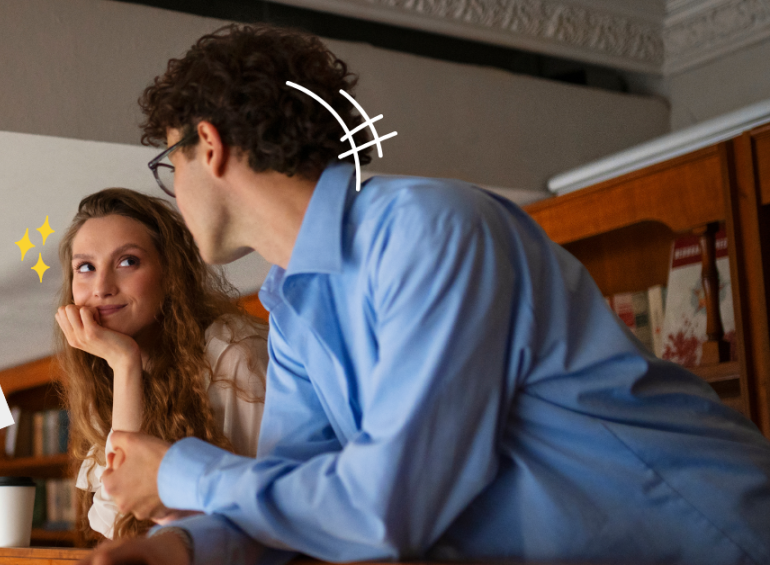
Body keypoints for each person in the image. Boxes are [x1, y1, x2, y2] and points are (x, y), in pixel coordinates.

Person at [82, 23, 770, 565]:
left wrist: (182, 473)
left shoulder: (430, 231)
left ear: (209, 144)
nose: (174, 186)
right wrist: (179, 547)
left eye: (170, 162)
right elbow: (297, 500)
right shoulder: (291, 306)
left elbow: (389, 506)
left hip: (720, 541)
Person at [54, 188, 267, 541]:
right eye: (86, 267)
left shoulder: (234, 353)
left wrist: (124, 362)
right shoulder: (106, 369)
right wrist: (125, 366)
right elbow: (115, 521)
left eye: (127, 262)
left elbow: (267, 509)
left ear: (170, 274)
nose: (102, 287)